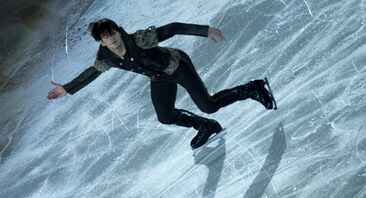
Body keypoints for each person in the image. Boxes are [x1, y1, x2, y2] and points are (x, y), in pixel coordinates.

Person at [47, 19, 276, 149]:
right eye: (106, 37)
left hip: (178, 66)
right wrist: (67, 88)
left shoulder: (138, 39)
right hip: (159, 78)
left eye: (113, 32)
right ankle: (205, 126)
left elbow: (172, 28)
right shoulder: (106, 57)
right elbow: (92, 72)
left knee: (209, 105)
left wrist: (206, 31)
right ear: (101, 42)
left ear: (118, 31)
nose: (112, 38)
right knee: (165, 116)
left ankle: (252, 88)